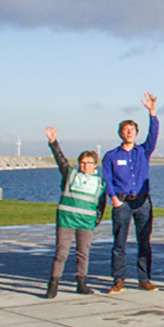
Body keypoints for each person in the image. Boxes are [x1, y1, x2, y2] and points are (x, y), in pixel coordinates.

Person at [102, 93, 160, 293]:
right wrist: (114, 199)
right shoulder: (111, 156)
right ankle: (118, 279)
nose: (129, 132)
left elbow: (153, 135)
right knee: (119, 243)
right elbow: (107, 179)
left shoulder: (143, 152)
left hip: (143, 202)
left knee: (144, 242)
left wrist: (152, 113)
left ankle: (144, 278)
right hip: (122, 203)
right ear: (120, 133)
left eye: (132, 130)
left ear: (136, 132)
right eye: (125, 130)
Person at [42, 126, 106, 298]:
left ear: (95, 164)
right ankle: (53, 284)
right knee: (61, 254)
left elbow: (101, 204)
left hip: (86, 223)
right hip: (66, 221)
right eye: (83, 162)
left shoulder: (100, 182)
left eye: (89, 163)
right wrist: (52, 142)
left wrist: (95, 220)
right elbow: (60, 160)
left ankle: (81, 283)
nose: (85, 166)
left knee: (83, 254)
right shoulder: (70, 175)